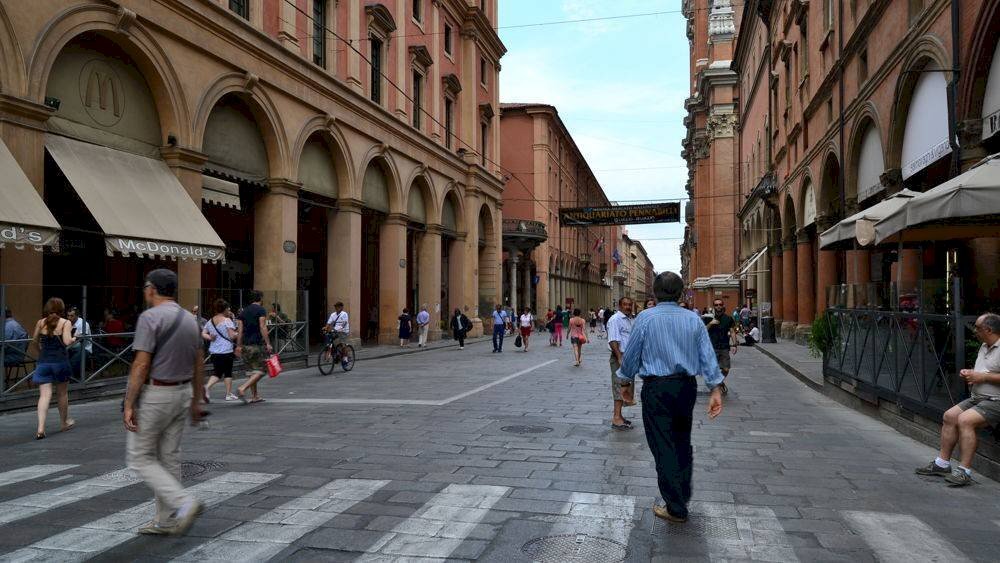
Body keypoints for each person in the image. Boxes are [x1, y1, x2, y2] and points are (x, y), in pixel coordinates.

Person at [617, 271, 724, 524]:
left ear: (655, 292)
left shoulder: (645, 318)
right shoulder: (693, 319)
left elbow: (631, 354)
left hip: (656, 389)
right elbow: (707, 355)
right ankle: (682, 493)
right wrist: (715, 388)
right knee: (681, 441)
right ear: (679, 293)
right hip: (686, 388)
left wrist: (625, 381)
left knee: (663, 445)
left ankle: (676, 507)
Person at [122, 269, 205, 536]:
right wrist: (196, 399)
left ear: (151, 289)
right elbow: (198, 362)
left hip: (158, 394)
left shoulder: (150, 317)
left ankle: (184, 502)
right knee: (169, 459)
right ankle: (166, 521)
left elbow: (141, 364)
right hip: (182, 394)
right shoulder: (191, 319)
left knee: (140, 458)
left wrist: (128, 403)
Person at [916, 313, 1000, 486]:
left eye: (977, 328)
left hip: (995, 400)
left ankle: (964, 471)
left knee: (965, 420)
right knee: (949, 416)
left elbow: (986, 376)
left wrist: (982, 378)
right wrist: (970, 373)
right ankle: (942, 464)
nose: (974, 331)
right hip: (978, 398)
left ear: (988, 329)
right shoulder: (985, 346)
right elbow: (986, 372)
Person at [31, 298, 76, 439]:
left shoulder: (40, 322)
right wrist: (76, 338)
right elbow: (67, 341)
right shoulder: (65, 323)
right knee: (62, 394)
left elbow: (34, 341)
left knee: (44, 396)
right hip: (60, 362)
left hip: (44, 362)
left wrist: (40, 353)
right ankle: (64, 422)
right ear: (61, 310)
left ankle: (40, 428)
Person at [235, 291, 271, 404]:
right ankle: (243, 388)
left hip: (245, 345)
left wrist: (238, 345)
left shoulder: (243, 311)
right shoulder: (261, 310)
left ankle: (255, 396)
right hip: (256, 344)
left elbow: (240, 331)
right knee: (262, 370)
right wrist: (268, 343)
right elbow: (263, 327)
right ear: (260, 298)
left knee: (252, 371)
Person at [608, 297, 635, 431]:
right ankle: (616, 418)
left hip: (628, 358)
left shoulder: (629, 319)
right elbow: (613, 340)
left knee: (625, 388)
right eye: (625, 304)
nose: (627, 307)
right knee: (619, 386)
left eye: (629, 305)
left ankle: (620, 416)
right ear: (619, 306)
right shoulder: (615, 319)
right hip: (620, 358)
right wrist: (619, 357)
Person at [202, 299, 238, 402]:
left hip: (214, 351)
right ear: (225, 309)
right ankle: (209, 388)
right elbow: (232, 336)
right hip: (226, 350)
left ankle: (227, 393)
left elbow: (203, 333)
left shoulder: (211, 321)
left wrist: (210, 338)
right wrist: (239, 333)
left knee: (219, 371)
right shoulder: (227, 321)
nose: (229, 310)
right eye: (228, 308)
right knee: (225, 372)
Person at [706, 299, 738, 395]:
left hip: (724, 346)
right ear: (714, 306)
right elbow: (703, 330)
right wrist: (710, 323)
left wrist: (735, 344)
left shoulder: (728, 318)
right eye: (716, 305)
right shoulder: (709, 318)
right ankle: (718, 383)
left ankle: (718, 382)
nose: (718, 306)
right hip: (712, 347)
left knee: (726, 369)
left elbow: (732, 331)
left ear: (723, 305)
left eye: (720, 304)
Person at [66, 306, 91, 378]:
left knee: (73, 362)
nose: (69, 318)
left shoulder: (83, 323)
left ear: (77, 316)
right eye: (68, 315)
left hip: (85, 349)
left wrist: (74, 337)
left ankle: (73, 380)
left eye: (71, 316)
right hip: (71, 347)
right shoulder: (68, 323)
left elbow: (82, 338)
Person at [324, 302, 350, 368]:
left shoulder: (344, 314)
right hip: (335, 331)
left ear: (341, 307)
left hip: (343, 331)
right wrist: (326, 327)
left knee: (343, 345)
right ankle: (336, 355)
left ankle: (345, 359)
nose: (336, 308)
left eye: (338, 307)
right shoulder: (333, 314)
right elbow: (329, 322)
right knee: (331, 341)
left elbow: (344, 324)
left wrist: (339, 329)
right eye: (335, 307)